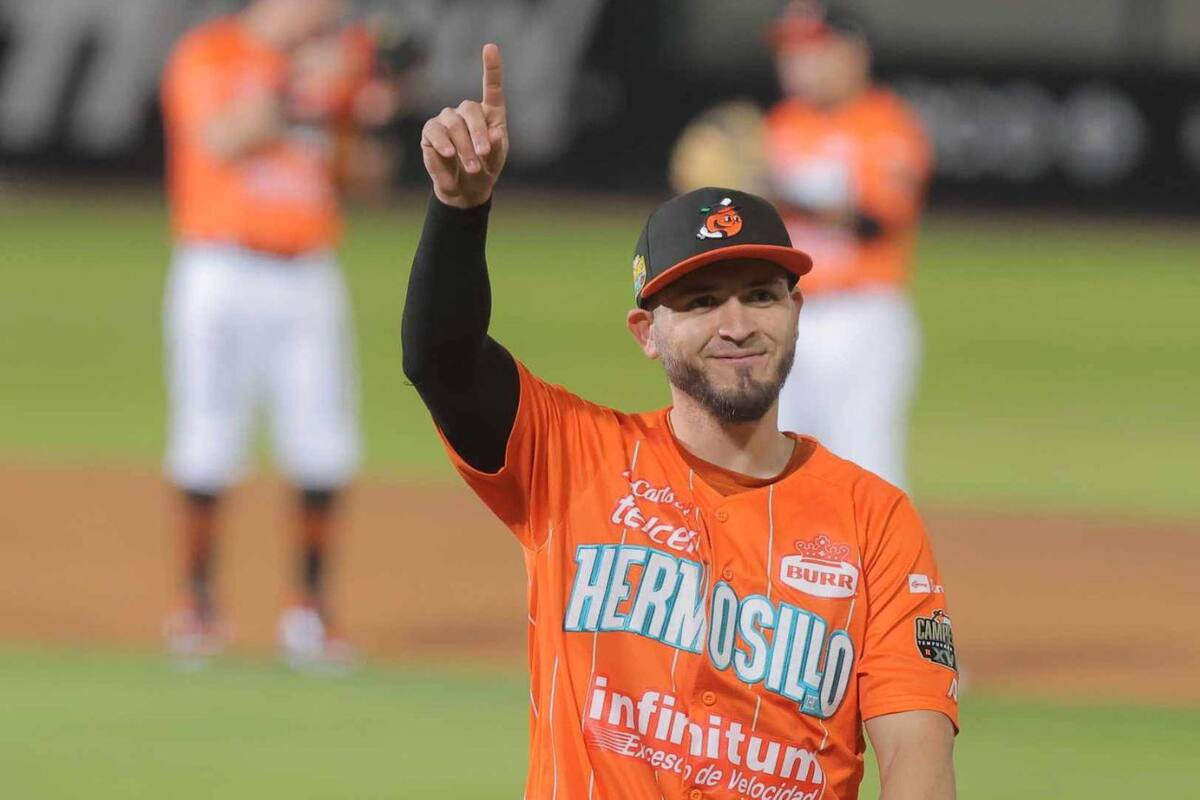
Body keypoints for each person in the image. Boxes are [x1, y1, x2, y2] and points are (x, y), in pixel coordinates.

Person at [403, 44, 958, 799]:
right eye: (699, 303)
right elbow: (442, 359)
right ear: (646, 332)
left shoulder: (876, 522)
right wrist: (460, 212)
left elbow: (917, 755)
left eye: (761, 295)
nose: (736, 324)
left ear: (796, 312)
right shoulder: (572, 458)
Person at [160, 0, 402, 668]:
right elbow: (220, 140)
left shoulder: (335, 68)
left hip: (307, 271)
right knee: (206, 435)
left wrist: (373, 113)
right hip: (218, 267)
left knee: (323, 441)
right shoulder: (210, 54)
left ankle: (311, 615)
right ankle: (197, 609)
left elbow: (360, 181)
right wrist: (305, 83)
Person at [765, 0, 933, 489]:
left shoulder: (886, 124)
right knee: (782, 475)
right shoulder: (781, 124)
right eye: (790, 51)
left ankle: (888, 569)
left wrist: (782, 196)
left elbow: (878, 220)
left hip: (860, 321)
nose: (796, 63)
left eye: (812, 50)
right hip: (786, 316)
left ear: (853, 54)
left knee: (868, 476)